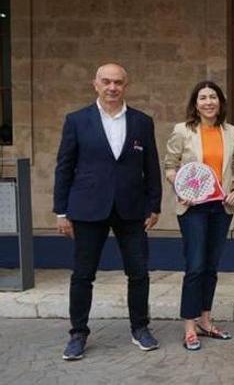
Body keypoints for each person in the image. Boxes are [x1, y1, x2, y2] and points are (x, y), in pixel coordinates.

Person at [53, 63, 162, 360]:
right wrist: (61, 211)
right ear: (95, 84)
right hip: (88, 208)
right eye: (106, 82)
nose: (112, 87)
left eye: (118, 82)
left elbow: (151, 166)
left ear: (126, 86)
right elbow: (64, 167)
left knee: (139, 273)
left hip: (132, 209)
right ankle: (78, 333)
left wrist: (155, 205)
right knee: (83, 275)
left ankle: (140, 328)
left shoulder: (142, 121)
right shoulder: (77, 120)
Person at [164, 81, 234, 351]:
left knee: (211, 266)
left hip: (220, 207)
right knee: (196, 266)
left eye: (213, 97)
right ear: (195, 104)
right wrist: (180, 187)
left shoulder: (231, 132)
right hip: (194, 208)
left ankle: (206, 320)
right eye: (203, 98)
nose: (208, 102)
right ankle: (190, 326)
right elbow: (170, 165)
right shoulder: (183, 131)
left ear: (220, 102)